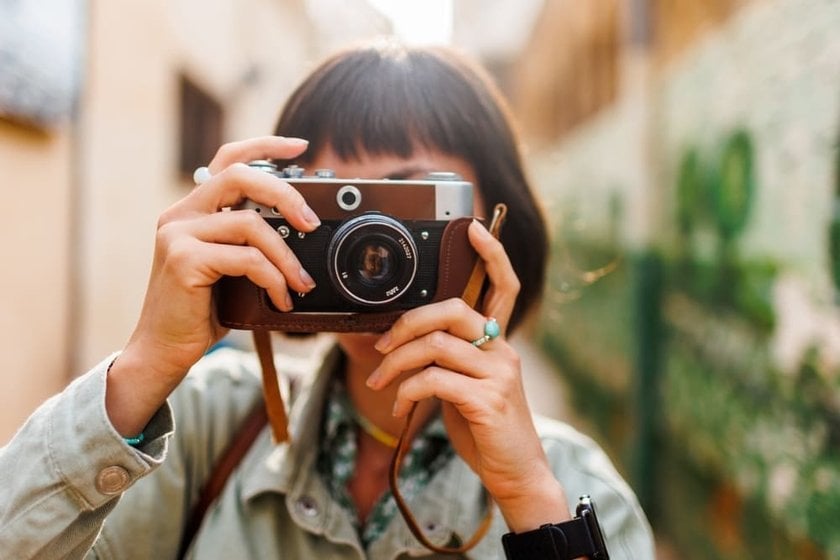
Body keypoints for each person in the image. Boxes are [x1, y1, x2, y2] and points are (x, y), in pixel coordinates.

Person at [0, 39, 655, 559]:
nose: (372, 249)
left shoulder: (576, 488)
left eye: (409, 203)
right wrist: (145, 365)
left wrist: (529, 501)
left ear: (499, 228)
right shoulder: (201, 426)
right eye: (336, 205)